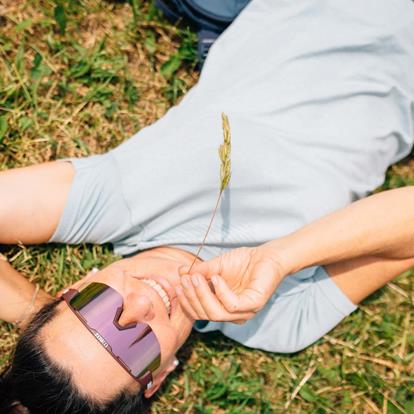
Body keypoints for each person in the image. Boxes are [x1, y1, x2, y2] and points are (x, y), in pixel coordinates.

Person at [1, 0, 414, 412]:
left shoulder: (111, 201)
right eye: (136, 347)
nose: (142, 304)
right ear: (159, 377)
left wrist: (34, 310)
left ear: (73, 289)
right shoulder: (276, 321)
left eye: (97, 307)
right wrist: (279, 259)